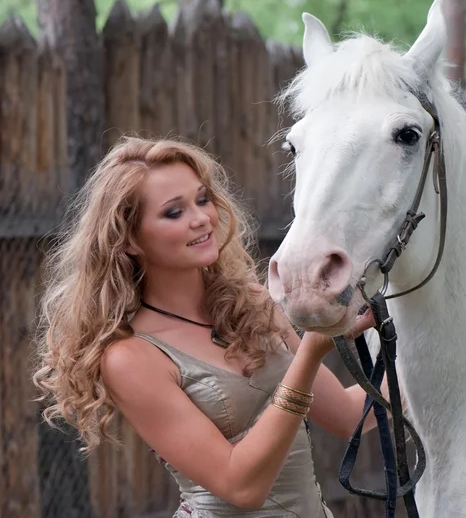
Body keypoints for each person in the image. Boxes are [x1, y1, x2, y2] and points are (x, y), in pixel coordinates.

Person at [33, 137, 384, 518]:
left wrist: (423, 348)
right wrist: (312, 351)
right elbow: (240, 486)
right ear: (130, 239)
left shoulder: (251, 303)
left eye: (202, 200)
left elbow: (350, 417)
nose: (201, 218)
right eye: (173, 212)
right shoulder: (130, 357)